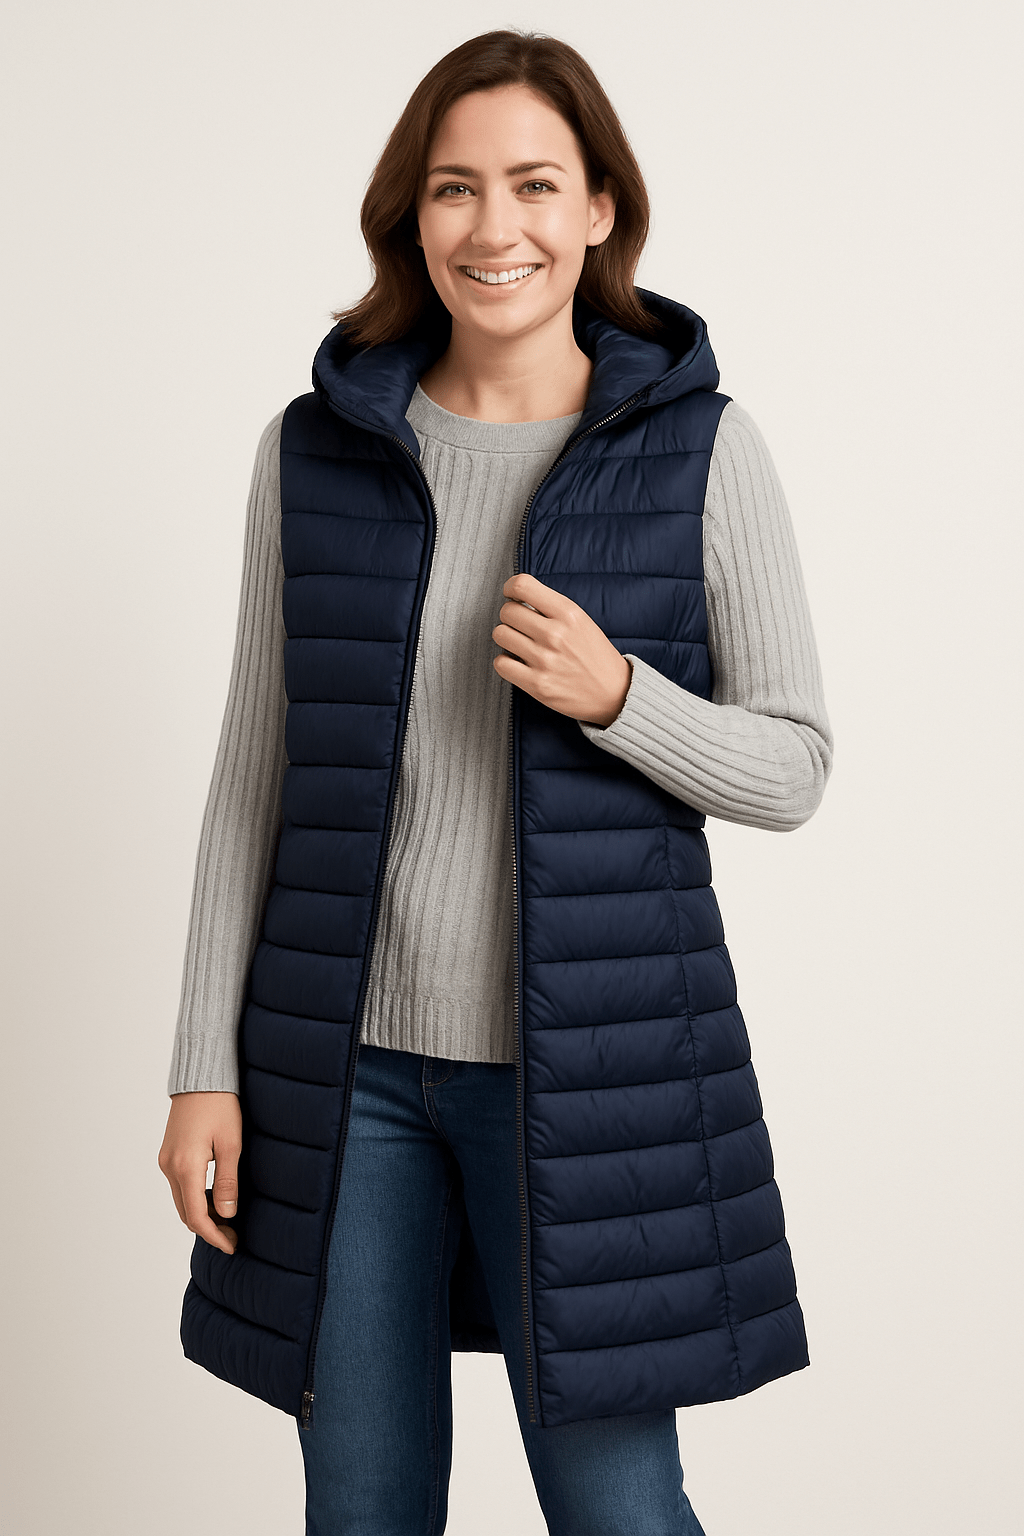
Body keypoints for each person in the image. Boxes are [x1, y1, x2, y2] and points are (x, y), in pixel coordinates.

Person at [158, 29, 833, 1536]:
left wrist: (623, 699)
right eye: (454, 188)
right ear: (413, 218)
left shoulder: (701, 453)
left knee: (617, 1508)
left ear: (600, 209)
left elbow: (795, 765)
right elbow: (253, 773)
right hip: (343, 1079)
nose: (493, 226)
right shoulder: (315, 453)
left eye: (534, 184)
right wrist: (205, 1063)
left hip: (588, 1082)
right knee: (363, 1507)